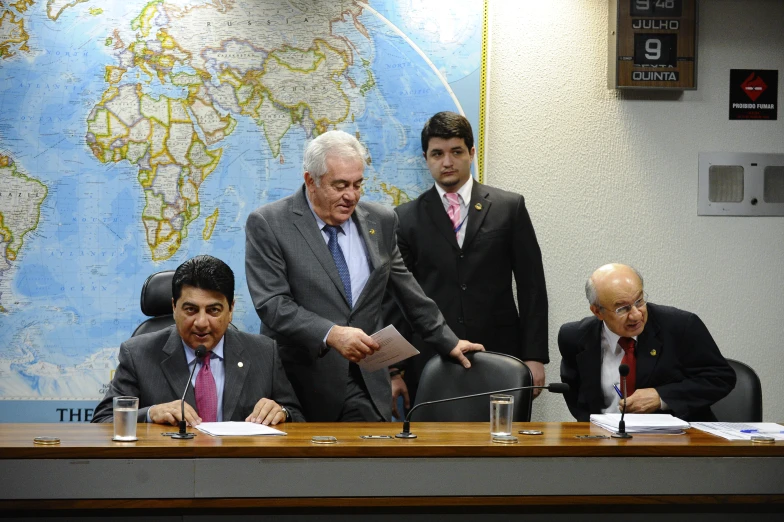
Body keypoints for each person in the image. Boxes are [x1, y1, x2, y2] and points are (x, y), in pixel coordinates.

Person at [244, 130, 484, 422]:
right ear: (311, 181)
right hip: (300, 386)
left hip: (367, 384)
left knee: (372, 465)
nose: (351, 196)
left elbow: (406, 289)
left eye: (358, 184)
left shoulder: (380, 221)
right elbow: (272, 303)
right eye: (340, 185)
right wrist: (331, 333)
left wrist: (448, 340)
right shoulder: (269, 224)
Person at [384, 111, 548, 414]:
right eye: (437, 154)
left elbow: (532, 287)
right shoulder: (404, 219)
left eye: (456, 152)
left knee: (501, 450)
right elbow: (398, 301)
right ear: (426, 158)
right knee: (432, 454)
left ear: (471, 153)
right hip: (432, 361)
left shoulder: (508, 208)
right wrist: (394, 371)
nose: (447, 161)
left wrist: (534, 357)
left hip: (501, 357)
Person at [93, 255, 303, 425]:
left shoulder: (264, 352)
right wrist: (150, 413)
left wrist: (282, 412)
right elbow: (103, 421)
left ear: (230, 309)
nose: (201, 322)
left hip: (240, 471)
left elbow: (298, 417)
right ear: (174, 307)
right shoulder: (137, 354)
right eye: (191, 309)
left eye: (213, 310)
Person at [558, 263, 735, 422]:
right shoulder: (574, 337)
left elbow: (720, 378)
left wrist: (661, 397)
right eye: (622, 308)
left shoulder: (680, 326)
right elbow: (575, 394)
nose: (636, 315)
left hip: (673, 444)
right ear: (597, 312)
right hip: (605, 443)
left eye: (639, 301)